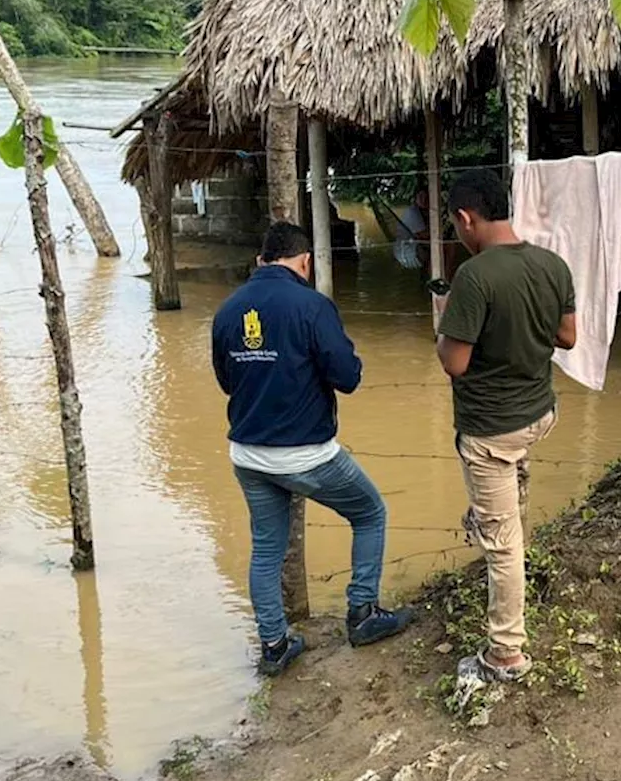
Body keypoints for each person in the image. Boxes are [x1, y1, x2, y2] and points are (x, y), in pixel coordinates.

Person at [212, 221, 413, 676]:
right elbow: (348, 377)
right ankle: (362, 613)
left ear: (262, 259)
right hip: (307, 454)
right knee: (370, 513)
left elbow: (227, 381)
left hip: (247, 453)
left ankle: (274, 644)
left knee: (266, 548)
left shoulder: (228, 310)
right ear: (304, 261)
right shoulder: (313, 306)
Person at [435, 169, 577, 683]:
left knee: (502, 544)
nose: (457, 234)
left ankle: (506, 652)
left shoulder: (474, 277)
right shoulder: (552, 264)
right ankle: (504, 514)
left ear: (466, 218)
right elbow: (568, 338)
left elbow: (454, 362)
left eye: (455, 226)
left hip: (491, 430)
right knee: (505, 511)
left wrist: (445, 316)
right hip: (539, 413)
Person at [393, 188, 430, 272]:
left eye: (426, 197)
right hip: (406, 252)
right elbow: (424, 235)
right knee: (446, 247)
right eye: (420, 197)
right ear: (415, 198)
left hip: (413, 246)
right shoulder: (413, 212)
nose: (423, 200)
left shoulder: (424, 212)